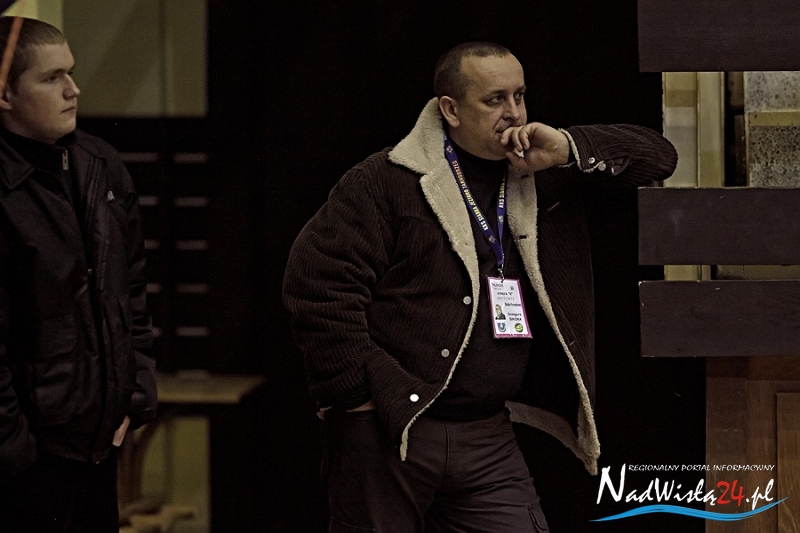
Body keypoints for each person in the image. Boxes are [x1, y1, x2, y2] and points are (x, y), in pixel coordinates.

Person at [283, 41, 677, 532]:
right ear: (450, 110)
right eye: (494, 100)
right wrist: (357, 400)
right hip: (390, 430)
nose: (513, 113)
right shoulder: (387, 180)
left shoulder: (540, 172)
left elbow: (659, 157)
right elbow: (317, 286)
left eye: (520, 96)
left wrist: (567, 147)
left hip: (487, 434)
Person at [0, 17, 157, 532]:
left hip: (97, 443)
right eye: (52, 78)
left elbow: (132, 292)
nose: (73, 89)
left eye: (71, 72)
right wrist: (15, 452)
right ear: (5, 95)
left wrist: (133, 395)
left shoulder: (100, 164)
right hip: (28, 459)